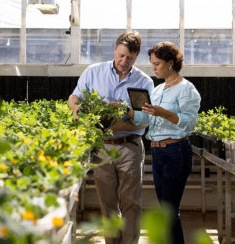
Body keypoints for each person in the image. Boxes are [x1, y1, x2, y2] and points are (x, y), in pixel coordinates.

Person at [68, 31, 154, 244]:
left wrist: (119, 126)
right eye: (121, 55)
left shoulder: (143, 82)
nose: (124, 62)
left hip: (130, 148)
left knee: (131, 203)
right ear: (114, 49)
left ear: (137, 57)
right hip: (102, 148)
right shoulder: (93, 72)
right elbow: (75, 96)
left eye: (130, 58)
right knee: (107, 204)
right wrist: (76, 109)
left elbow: (145, 120)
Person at [127, 41, 201, 244]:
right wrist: (129, 112)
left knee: (169, 210)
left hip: (176, 152)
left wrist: (163, 113)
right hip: (158, 152)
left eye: (157, 64)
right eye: (152, 63)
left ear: (170, 63)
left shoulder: (187, 89)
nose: (154, 68)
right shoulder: (158, 90)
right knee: (166, 208)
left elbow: (188, 124)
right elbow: (146, 120)